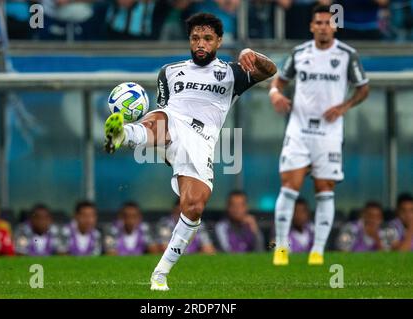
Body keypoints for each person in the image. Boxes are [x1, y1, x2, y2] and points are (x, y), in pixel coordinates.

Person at [104, 12, 276, 290]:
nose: (200, 43)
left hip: (201, 140)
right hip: (172, 123)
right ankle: (122, 134)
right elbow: (160, 110)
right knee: (160, 119)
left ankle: (160, 274)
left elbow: (271, 71)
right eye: (195, 37)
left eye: (207, 38)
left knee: (194, 207)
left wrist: (250, 53)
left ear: (219, 41)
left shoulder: (232, 72)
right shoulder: (169, 72)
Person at [269, 4, 370, 266]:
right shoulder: (300, 53)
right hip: (299, 129)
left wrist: (344, 107)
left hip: (329, 132)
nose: (324, 27)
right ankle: (281, 248)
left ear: (334, 26)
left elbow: (363, 88)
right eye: (319, 23)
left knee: (324, 189)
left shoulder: (348, 55)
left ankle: (317, 251)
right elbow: (278, 81)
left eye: (328, 23)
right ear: (312, 26)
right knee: (289, 185)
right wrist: (276, 94)